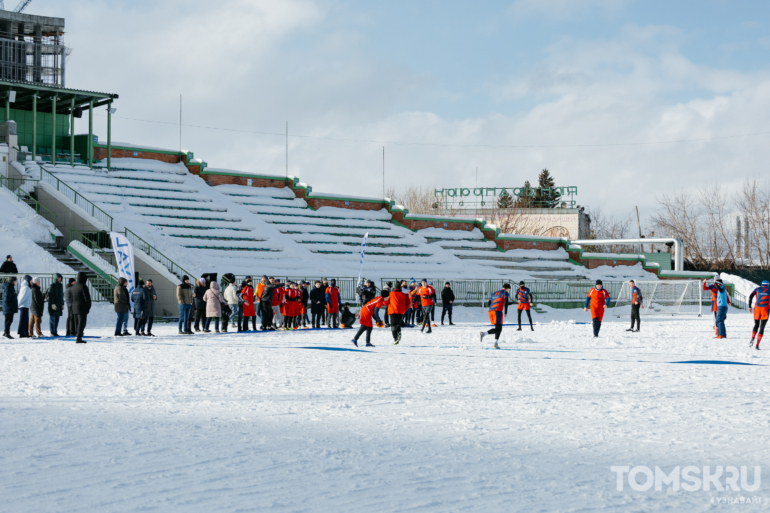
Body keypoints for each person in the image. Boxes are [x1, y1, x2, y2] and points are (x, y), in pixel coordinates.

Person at [480, 283, 511, 349]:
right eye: (509, 290)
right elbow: (506, 302)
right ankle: (484, 334)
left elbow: (489, 303)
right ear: (507, 288)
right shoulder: (505, 292)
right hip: (497, 311)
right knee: (498, 329)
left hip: (491, 311)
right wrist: (505, 312)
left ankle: (496, 343)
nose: (508, 291)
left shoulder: (494, 293)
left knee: (498, 328)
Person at [70, 272, 91, 343]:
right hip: (82, 308)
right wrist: (88, 307)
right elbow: (87, 299)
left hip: (74, 307)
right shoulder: (83, 286)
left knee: (77, 323)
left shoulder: (73, 286)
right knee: (82, 323)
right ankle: (79, 338)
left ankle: (77, 335)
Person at [749, 280, 770, 350]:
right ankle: (757, 344)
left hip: (757, 309)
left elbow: (750, 296)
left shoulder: (757, 289)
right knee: (762, 327)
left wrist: (749, 306)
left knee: (756, 325)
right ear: (767, 285)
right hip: (765, 309)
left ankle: (752, 337)